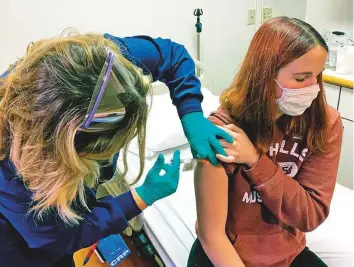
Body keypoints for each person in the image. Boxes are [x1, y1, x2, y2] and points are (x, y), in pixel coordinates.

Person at [0, 32, 232, 267]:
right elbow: (67, 236)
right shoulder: (19, 184)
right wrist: (141, 197)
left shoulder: (101, 68)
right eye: (109, 151)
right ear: (72, 155)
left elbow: (172, 55)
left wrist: (191, 113)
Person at [188, 17, 343, 267]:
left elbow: (310, 214)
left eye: (318, 76)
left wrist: (255, 161)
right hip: (226, 250)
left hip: (287, 252)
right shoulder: (223, 130)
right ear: (265, 75)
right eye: (301, 78)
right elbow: (212, 235)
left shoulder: (325, 123)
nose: (313, 89)